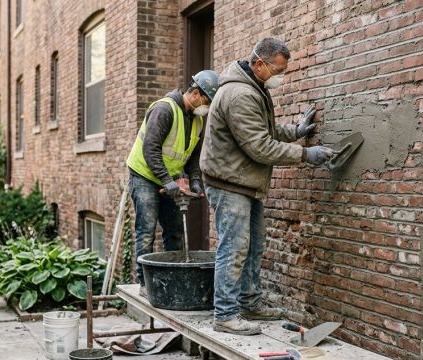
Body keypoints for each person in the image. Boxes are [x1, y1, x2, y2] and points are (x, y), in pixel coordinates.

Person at [200, 37, 334, 335]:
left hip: (244, 181)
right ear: (259, 63)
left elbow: (266, 131)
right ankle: (225, 314)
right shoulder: (239, 94)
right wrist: (305, 154)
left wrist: (296, 131)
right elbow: (259, 146)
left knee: (253, 246)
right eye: (277, 69)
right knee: (234, 248)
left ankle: (249, 302)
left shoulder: (253, 86)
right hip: (229, 183)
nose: (280, 76)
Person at [126, 70, 219, 294]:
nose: (207, 108)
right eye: (207, 101)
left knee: (175, 230)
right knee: (146, 230)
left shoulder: (197, 120)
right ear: (195, 93)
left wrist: (195, 181)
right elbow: (151, 149)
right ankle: (144, 283)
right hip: (145, 175)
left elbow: (193, 156)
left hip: (169, 179)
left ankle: (172, 279)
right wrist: (167, 181)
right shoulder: (164, 109)